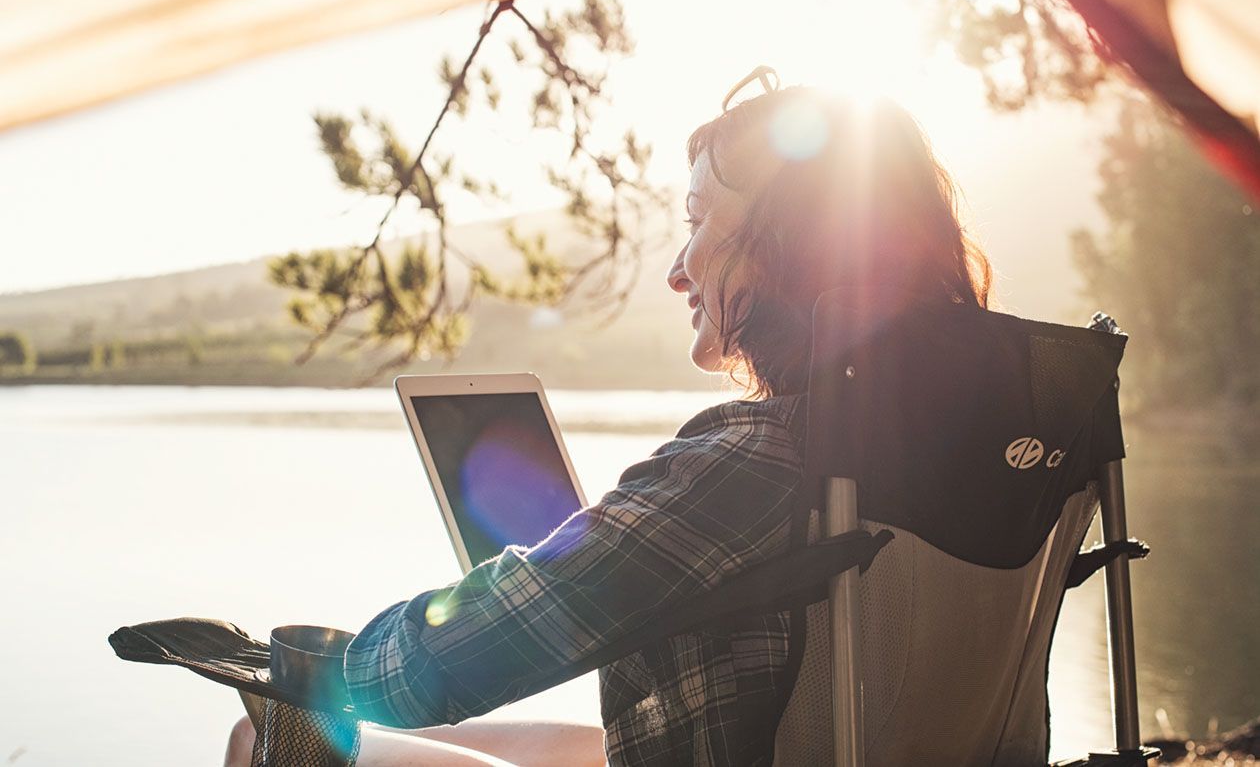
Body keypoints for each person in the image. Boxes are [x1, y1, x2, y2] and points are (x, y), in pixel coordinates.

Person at [224, 70, 992, 767]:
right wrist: (609, 554)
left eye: (698, 221)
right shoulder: (987, 437)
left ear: (786, 245)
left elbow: (430, 670)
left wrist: (293, 666)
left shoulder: (761, 456)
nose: (678, 270)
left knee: (266, 737)